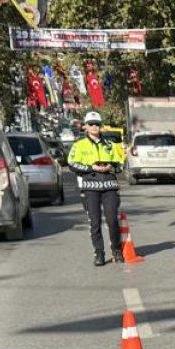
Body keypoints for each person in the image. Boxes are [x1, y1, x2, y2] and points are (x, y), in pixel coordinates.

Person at [67, 110, 125, 266]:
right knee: (95, 222)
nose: (94, 127)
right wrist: (90, 167)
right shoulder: (79, 145)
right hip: (90, 188)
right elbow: (71, 163)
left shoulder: (111, 145)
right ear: (85, 126)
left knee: (112, 220)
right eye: (91, 124)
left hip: (110, 187)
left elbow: (121, 164)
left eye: (97, 124)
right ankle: (99, 253)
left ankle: (117, 250)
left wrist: (110, 167)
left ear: (101, 126)